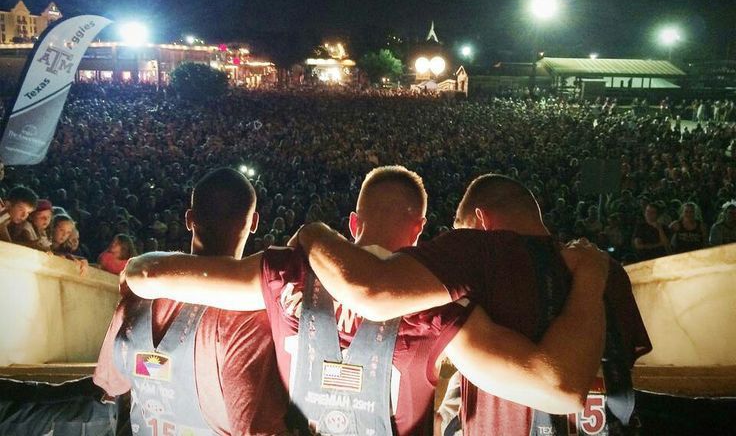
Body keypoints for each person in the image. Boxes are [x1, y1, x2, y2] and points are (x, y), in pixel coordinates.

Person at [126, 166, 609, 435]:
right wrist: (590, 274)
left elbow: (148, 273)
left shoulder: (283, 273)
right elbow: (558, 386)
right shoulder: (442, 313)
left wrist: (313, 236)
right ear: (420, 233)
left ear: (353, 224)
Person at [299, 173, 651, 435]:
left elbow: (371, 290)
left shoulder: (478, 250)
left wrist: (313, 233)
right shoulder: (605, 270)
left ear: (480, 221)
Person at [94, 167, 288, 435]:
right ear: (254, 223)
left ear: (189, 219)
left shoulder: (136, 294)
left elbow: (110, 386)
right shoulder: (247, 317)